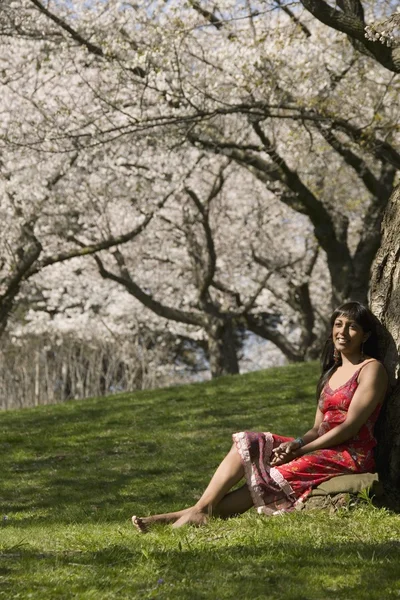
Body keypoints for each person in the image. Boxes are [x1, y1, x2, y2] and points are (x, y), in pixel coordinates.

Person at [132, 301, 388, 532]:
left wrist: (301, 451)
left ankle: (188, 515)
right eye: (338, 324)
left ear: (364, 335)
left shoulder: (371, 370)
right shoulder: (331, 374)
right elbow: (317, 427)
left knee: (274, 475)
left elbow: (350, 428)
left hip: (349, 454)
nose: (342, 332)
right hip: (318, 446)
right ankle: (198, 510)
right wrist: (295, 443)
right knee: (249, 441)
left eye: (352, 327)